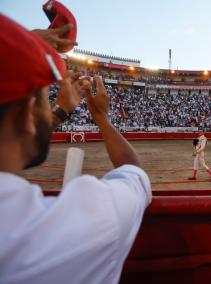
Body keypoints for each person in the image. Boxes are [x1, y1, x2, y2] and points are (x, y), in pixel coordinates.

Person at [0, 15, 151, 284]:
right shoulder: (77, 226)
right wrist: (102, 118)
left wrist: (58, 111)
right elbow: (135, 174)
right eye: (45, 96)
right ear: (25, 116)